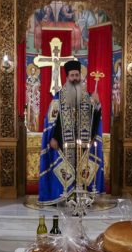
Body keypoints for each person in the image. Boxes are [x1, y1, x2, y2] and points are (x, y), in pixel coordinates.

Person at [38, 60, 104, 205]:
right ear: (67, 77)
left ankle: (82, 197)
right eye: (72, 75)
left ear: (80, 76)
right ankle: (65, 196)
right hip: (63, 142)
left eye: (77, 75)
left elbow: (94, 119)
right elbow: (53, 121)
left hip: (84, 142)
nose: (75, 78)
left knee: (82, 169)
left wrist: (97, 104)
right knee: (66, 170)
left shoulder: (88, 97)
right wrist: (53, 137)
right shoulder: (59, 97)